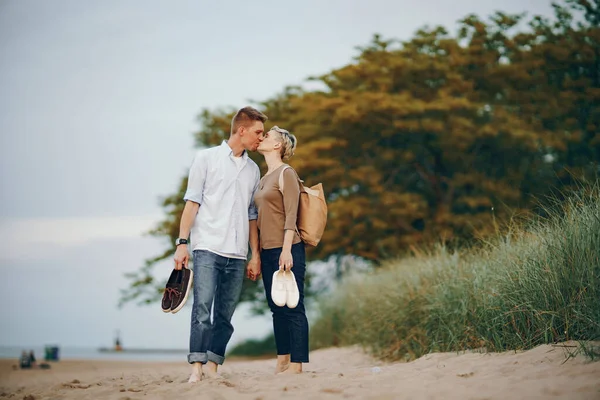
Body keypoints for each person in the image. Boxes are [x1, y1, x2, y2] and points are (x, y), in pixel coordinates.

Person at [173, 106, 267, 383]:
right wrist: (182, 243)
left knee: (225, 314)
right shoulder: (206, 158)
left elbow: (252, 215)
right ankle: (196, 367)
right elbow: (192, 202)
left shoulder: (253, 169)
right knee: (202, 309)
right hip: (207, 247)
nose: (260, 138)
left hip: (237, 253)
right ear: (242, 130)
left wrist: (255, 254)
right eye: (258, 132)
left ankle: (213, 366)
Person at [254, 126, 308, 374]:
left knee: (294, 306)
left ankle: (296, 365)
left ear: (277, 145)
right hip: (267, 250)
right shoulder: (264, 178)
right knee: (277, 307)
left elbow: (291, 215)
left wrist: (286, 251)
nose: (261, 137)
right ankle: (282, 360)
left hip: (288, 249)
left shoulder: (286, 173)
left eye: (267, 136)